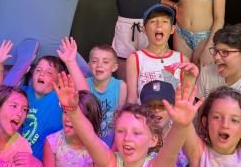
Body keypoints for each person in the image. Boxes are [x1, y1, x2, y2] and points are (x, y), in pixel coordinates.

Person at [54, 72, 203, 167]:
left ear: (153, 140)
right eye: (120, 131)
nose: (127, 138)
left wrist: (181, 125)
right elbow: (90, 138)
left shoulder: (156, 165)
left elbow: (170, 150)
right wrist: (72, 110)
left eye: (137, 133)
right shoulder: (112, 162)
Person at [0, 40, 67, 161]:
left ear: (58, 80)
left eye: (48, 72)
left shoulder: (59, 98)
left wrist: (71, 62)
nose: (41, 74)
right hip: (15, 156)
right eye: (38, 70)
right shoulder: (24, 93)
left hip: (43, 161)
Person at [126, 4, 194, 103]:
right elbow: (132, 99)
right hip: (145, 117)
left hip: (173, 117)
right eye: (153, 21)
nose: (159, 25)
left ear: (172, 29)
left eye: (165, 21)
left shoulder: (182, 59)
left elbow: (186, 99)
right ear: (144, 29)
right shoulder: (135, 59)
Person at [183, 86, 241, 166]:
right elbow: (183, 117)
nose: (225, 125)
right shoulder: (200, 153)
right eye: (216, 117)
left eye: (234, 120)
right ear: (206, 122)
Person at [43, 90, 102, 167]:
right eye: (65, 112)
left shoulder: (98, 148)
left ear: (88, 121)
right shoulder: (52, 143)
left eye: (74, 116)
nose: (67, 119)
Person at [0, 85, 41, 166]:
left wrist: (38, 164)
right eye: (14, 106)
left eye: (24, 109)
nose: (20, 113)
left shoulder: (21, 145)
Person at [85, 44, 126, 146]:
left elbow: (120, 116)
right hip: (86, 139)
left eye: (105, 62)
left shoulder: (121, 86)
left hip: (110, 140)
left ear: (114, 67)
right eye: (95, 61)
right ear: (89, 65)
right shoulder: (83, 84)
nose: (99, 65)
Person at [140, 80, 188, 167]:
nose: (156, 110)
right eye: (150, 106)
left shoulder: (182, 135)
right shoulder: (137, 137)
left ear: (173, 107)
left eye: (162, 106)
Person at [197, 24, 241, 98]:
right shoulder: (206, 73)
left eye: (225, 52)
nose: (216, 57)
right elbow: (198, 107)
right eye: (215, 50)